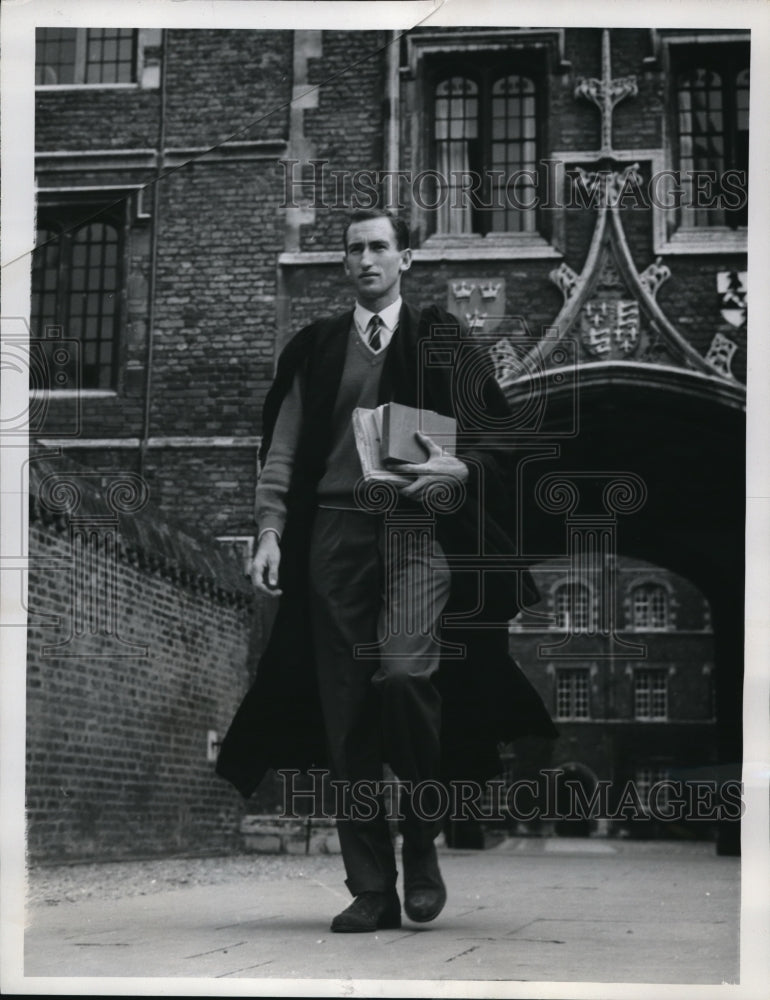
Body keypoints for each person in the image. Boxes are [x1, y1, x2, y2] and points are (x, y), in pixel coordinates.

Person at [216, 208, 556, 933]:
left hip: (415, 529)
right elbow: (282, 452)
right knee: (345, 712)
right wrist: (271, 532)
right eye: (354, 250)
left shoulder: (441, 339)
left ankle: (422, 840)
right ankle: (370, 885)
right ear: (344, 265)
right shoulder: (314, 347)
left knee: (404, 675)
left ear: (405, 259)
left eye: (379, 247)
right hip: (334, 536)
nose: (366, 259)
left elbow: (496, 433)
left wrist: (455, 465)